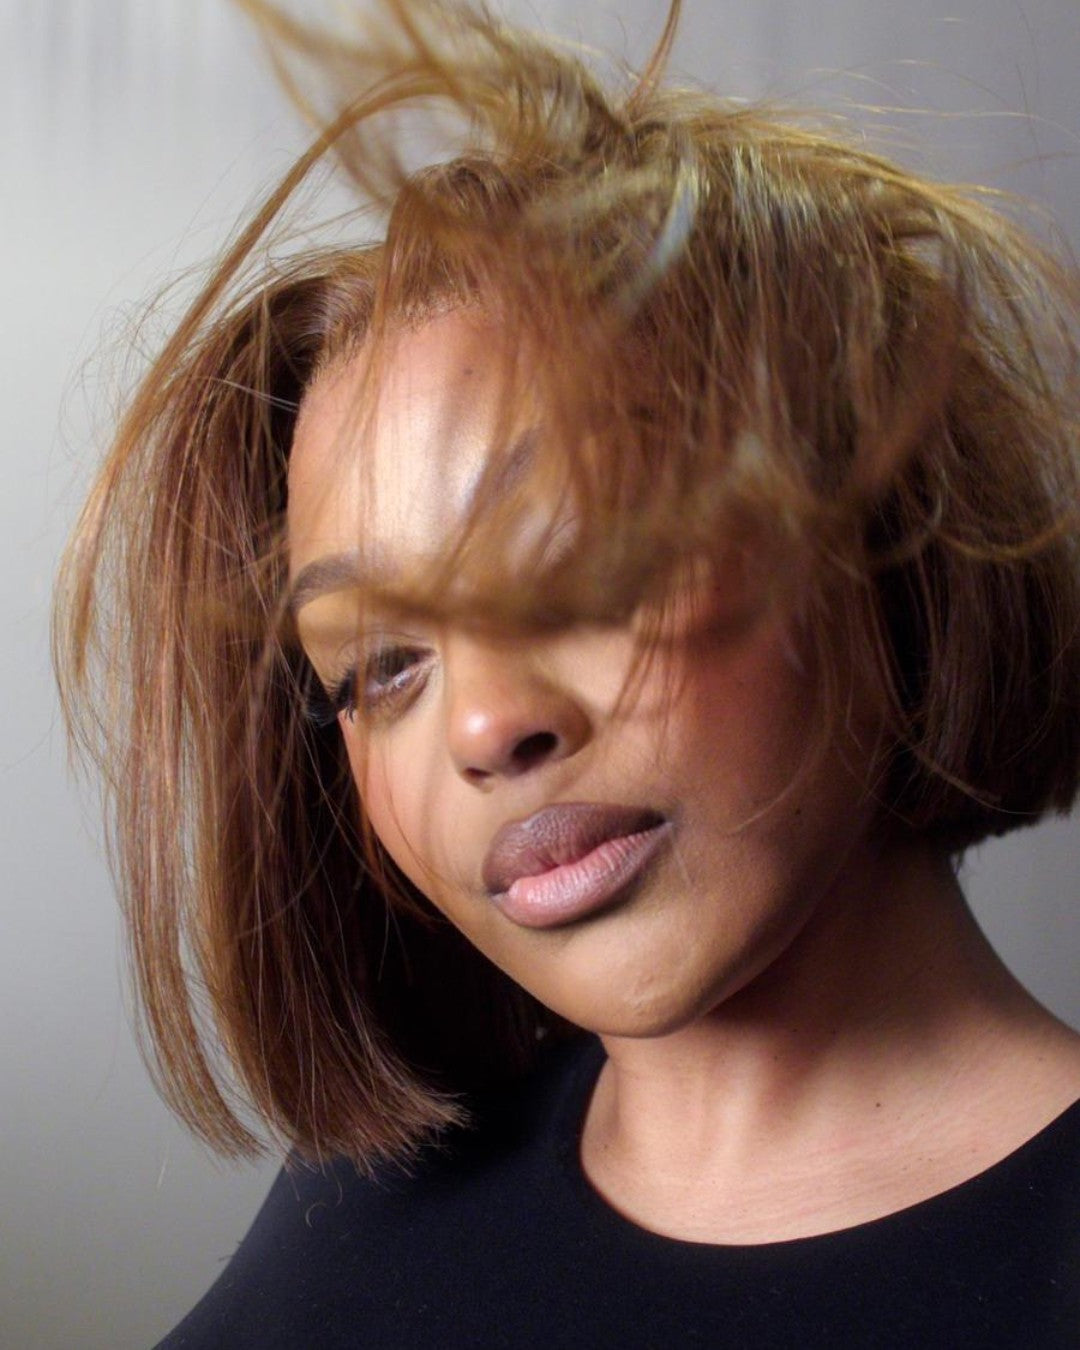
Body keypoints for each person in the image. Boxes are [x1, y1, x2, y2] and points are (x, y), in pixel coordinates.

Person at [54, 1, 1080, 1345]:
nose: (486, 725)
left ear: (877, 524)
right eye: (383, 665)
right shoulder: (368, 1201)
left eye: (581, 567)